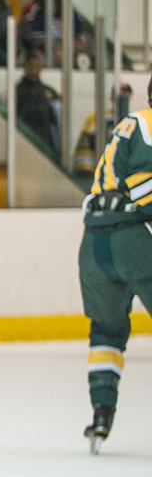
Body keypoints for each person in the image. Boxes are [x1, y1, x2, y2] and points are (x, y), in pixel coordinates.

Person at [77, 77, 152, 453]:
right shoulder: (150, 125)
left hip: (93, 245)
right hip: (135, 239)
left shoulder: (129, 125)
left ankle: (102, 415)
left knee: (106, 331)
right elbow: (144, 187)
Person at [15, 49, 60, 154]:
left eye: (38, 66)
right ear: (25, 66)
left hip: (47, 143)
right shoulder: (18, 91)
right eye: (31, 65)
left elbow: (54, 121)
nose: (34, 70)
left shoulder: (48, 91)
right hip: (27, 143)